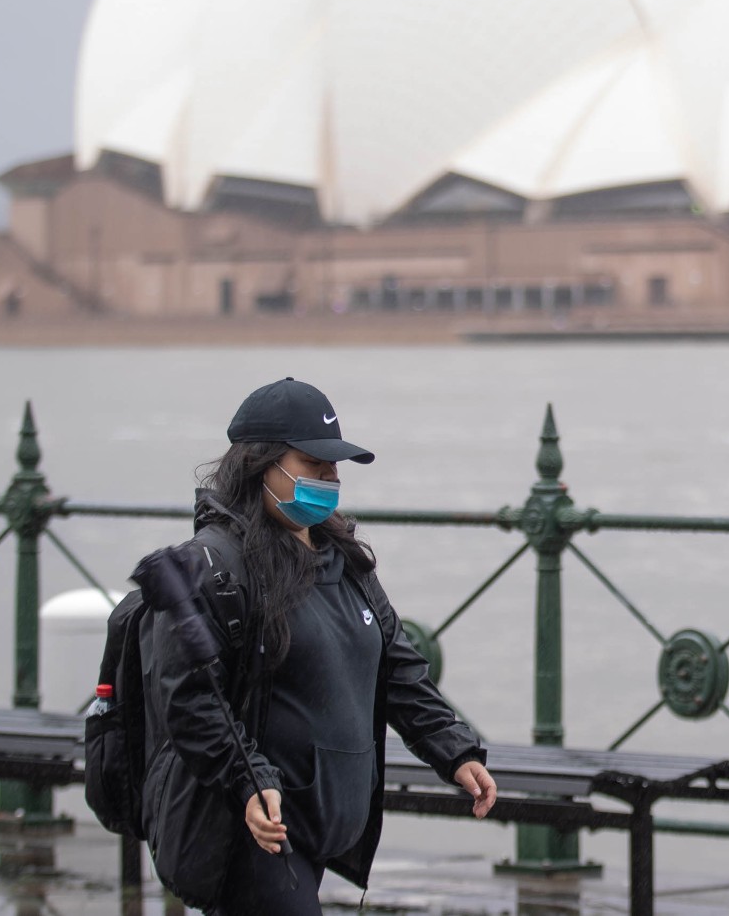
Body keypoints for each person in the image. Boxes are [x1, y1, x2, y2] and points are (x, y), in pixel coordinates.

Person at [140, 377, 497, 915]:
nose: (330, 478)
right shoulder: (212, 567)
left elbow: (396, 664)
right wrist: (249, 781)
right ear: (261, 466)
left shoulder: (344, 558)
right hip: (255, 828)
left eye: (335, 466)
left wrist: (453, 749)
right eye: (314, 464)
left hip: (325, 821)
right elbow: (189, 699)